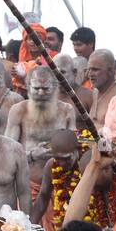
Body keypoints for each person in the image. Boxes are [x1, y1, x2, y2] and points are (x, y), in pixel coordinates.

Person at [6, 67, 76, 201]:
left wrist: (64, 155)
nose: (40, 93)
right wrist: (32, 155)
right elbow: (9, 154)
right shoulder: (18, 110)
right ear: (28, 87)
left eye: (45, 89)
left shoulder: (66, 110)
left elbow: (75, 150)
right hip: (27, 184)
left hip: (60, 184)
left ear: (55, 88)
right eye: (36, 88)